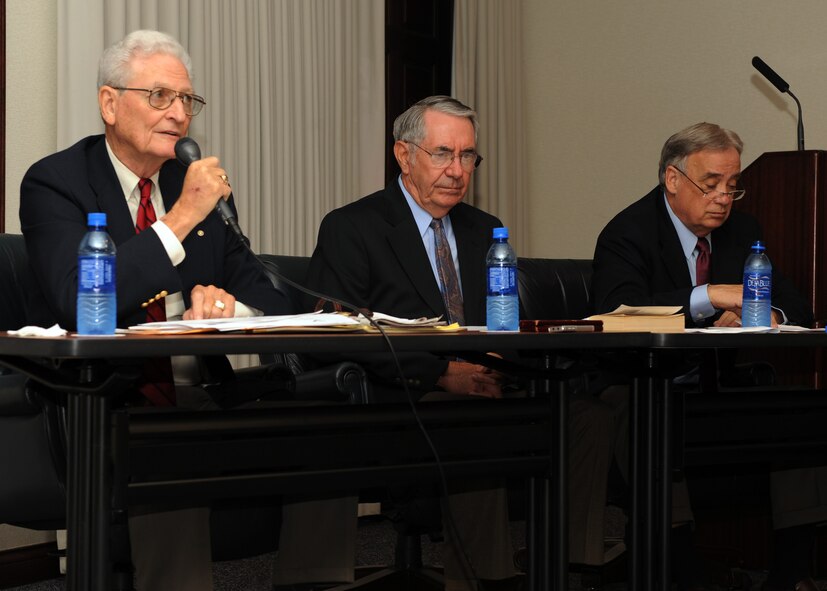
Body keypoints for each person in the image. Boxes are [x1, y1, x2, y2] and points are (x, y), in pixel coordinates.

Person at [19, 30, 291, 591]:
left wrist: (229, 307)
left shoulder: (201, 191)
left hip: (203, 384)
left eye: (187, 100)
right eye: (160, 96)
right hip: (102, 392)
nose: (178, 114)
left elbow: (274, 297)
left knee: (326, 420)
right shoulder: (56, 182)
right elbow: (80, 297)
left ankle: (315, 577)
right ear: (110, 103)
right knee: (166, 444)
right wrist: (181, 218)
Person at [592, 122, 818, 591]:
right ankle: (679, 575)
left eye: (732, 187)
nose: (723, 198)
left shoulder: (743, 230)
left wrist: (761, 312)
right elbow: (617, 315)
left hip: (718, 388)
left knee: (801, 414)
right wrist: (708, 296)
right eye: (711, 184)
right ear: (673, 179)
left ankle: (793, 576)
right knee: (654, 417)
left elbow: (798, 306)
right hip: (643, 388)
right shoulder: (627, 232)